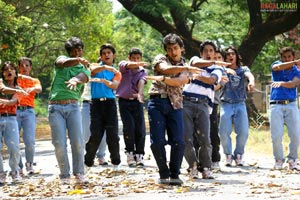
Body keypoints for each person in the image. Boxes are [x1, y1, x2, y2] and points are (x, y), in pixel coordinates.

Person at [146, 33, 200, 185]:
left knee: (178, 141)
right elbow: (164, 69)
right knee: (157, 141)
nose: (173, 52)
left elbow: (179, 82)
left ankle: (175, 174)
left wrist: (164, 79)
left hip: (175, 105)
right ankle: (163, 173)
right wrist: (171, 73)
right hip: (157, 102)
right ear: (166, 50)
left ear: (181, 49)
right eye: (169, 49)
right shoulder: (160, 59)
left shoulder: (187, 67)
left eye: (176, 48)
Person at [48, 37, 90, 182]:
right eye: (74, 51)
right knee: (59, 143)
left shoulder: (84, 67)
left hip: (73, 106)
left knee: (77, 141)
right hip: (55, 107)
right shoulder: (62, 59)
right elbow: (63, 63)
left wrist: (75, 80)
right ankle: (64, 175)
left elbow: (83, 76)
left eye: (79, 50)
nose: (78, 53)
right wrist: (78, 60)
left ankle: (79, 173)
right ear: (69, 52)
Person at [183, 41, 226, 179]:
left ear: (214, 53)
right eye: (205, 51)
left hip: (203, 104)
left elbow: (212, 80)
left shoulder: (218, 68)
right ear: (201, 53)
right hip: (186, 102)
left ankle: (206, 167)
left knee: (205, 139)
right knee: (187, 138)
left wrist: (196, 76)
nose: (208, 53)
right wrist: (196, 72)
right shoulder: (195, 60)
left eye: (211, 51)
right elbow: (195, 64)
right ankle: (192, 167)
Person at [84, 44, 121, 171]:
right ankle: (88, 162)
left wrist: (106, 82)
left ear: (113, 55)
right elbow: (92, 72)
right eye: (104, 53)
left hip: (110, 104)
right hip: (96, 104)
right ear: (101, 56)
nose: (106, 55)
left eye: (109, 52)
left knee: (112, 135)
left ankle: (115, 162)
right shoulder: (95, 66)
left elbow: (115, 86)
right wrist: (104, 68)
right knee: (96, 135)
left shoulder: (116, 72)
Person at [219, 46, 255, 167]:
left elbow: (249, 75)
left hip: (240, 104)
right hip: (226, 104)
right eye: (228, 54)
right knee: (224, 132)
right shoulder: (221, 69)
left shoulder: (243, 69)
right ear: (224, 57)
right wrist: (224, 71)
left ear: (236, 56)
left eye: (232, 54)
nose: (230, 56)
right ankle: (228, 155)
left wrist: (251, 82)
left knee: (243, 131)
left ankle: (239, 154)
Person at [269, 47, 300, 170]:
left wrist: (281, 83)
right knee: (276, 135)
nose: (286, 59)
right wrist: (294, 62)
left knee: (296, 134)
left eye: (289, 57)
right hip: (276, 104)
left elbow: (293, 84)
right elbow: (277, 68)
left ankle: (292, 159)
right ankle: (278, 159)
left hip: (291, 104)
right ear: (281, 58)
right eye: (284, 57)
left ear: (293, 56)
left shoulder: (296, 71)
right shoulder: (277, 65)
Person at [116, 47, 147, 167]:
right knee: (129, 127)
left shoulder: (142, 71)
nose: (136, 61)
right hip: (124, 102)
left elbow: (142, 81)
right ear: (129, 58)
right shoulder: (123, 66)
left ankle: (139, 154)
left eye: (138, 58)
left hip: (137, 101)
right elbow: (127, 65)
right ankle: (130, 153)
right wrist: (132, 64)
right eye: (133, 58)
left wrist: (140, 92)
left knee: (140, 129)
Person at [0, 61, 27, 183]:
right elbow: (3, 89)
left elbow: (12, 102)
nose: (9, 71)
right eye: (6, 69)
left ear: (16, 73)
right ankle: (1, 173)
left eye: (11, 69)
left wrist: (4, 101)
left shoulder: (19, 89)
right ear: (3, 73)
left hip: (11, 118)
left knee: (14, 147)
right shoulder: (1, 83)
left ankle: (15, 171)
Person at [17, 57, 42, 174]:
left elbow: (39, 89)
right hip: (14, 111)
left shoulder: (34, 80)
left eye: (27, 65)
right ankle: (18, 166)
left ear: (30, 67)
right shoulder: (15, 78)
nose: (24, 68)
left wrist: (31, 88)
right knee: (14, 140)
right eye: (22, 65)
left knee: (30, 140)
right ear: (18, 68)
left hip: (29, 111)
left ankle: (29, 164)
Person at [81, 76, 108, 166]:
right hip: (87, 103)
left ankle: (101, 156)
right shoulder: (87, 74)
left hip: (102, 104)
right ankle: (88, 155)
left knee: (102, 133)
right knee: (86, 132)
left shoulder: (107, 75)